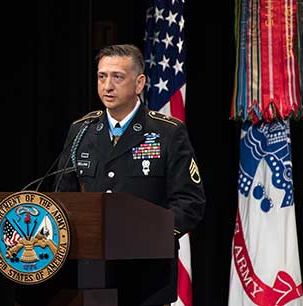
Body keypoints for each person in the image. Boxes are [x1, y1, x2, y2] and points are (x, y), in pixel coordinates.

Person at [55, 44, 206, 306]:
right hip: (91, 275)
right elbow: (63, 196)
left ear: (139, 83)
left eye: (117, 77)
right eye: (102, 77)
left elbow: (190, 202)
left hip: (147, 277)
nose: (107, 86)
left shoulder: (168, 132)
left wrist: (151, 235)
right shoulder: (82, 131)